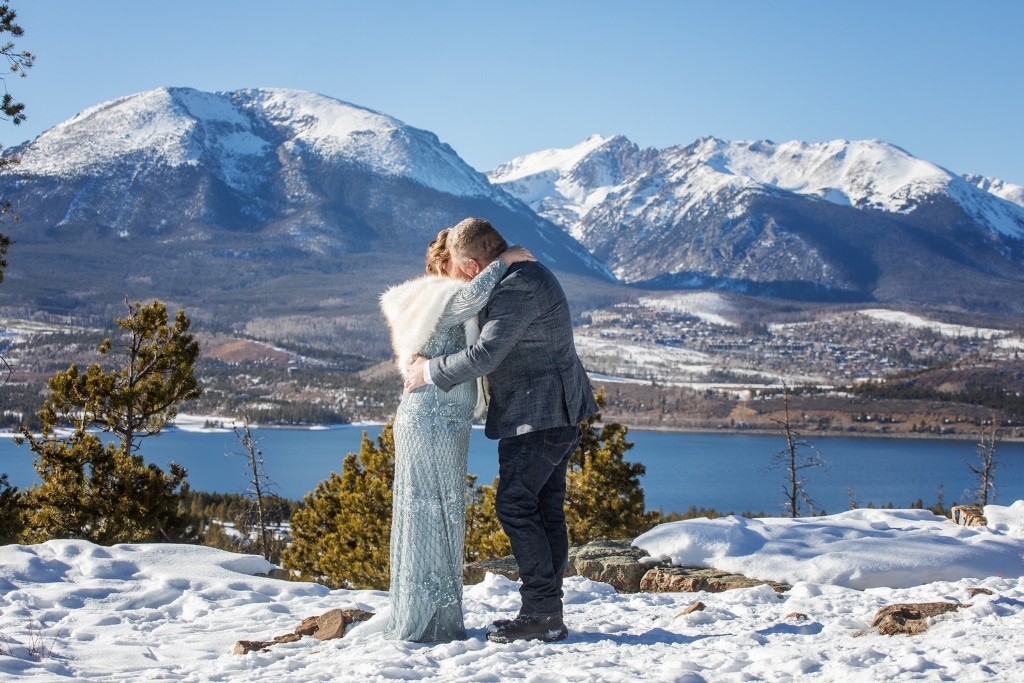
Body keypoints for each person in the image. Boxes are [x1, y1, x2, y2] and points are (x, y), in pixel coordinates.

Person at [405, 217, 598, 644]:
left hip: (541, 415)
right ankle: (547, 610)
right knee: (544, 509)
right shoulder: (518, 273)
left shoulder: (517, 285)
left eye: (460, 267)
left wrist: (427, 372)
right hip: (553, 412)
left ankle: (542, 613)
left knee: (515, 506)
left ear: (473, 264)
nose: (461, 275)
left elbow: (487, 353)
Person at [379, 228, 534, 643]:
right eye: (459, 261)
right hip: (430, 418)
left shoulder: (440, 300)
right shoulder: (436, 295)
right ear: (442, 264)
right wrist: (504, 261)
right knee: (429, 513)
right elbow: (471, 298)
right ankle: (423, 619)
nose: (469, 270)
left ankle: (436, 614)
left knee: (443, 513)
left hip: (444, 421)